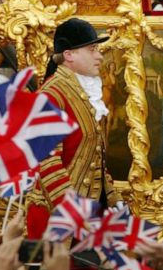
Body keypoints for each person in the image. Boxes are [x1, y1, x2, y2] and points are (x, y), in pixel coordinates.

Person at [29, 18, 117, 237]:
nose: (99, 56)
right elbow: (47, 163)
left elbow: (95, 157)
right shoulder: (50, 96)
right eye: (92, 49)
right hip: (58, 219)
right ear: (69, 55)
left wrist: (113, 198)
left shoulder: (85, 90)